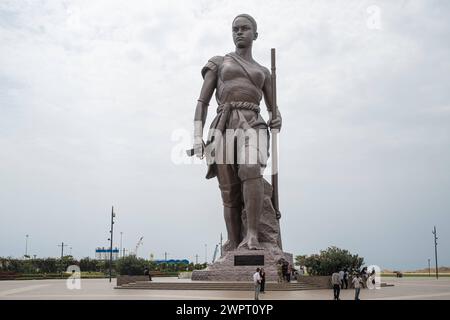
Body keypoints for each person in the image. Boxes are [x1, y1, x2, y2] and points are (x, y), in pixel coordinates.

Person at [191, 14, 282, 252]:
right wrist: (196, 136)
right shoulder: (219, 62)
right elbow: (202, 102)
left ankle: (252, 234)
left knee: (251, 167)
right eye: (235, 29)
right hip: (224, 124)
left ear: (255, 34)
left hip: (253, 122)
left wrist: (277, 118)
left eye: (245, 28)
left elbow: (274, 110)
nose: (239, 32)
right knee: (229, 190)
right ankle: (233, 240)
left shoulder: (264, 72)